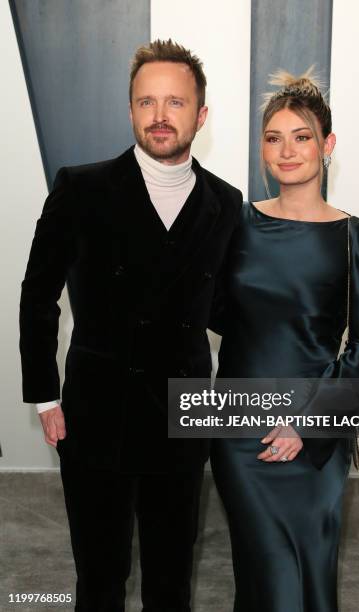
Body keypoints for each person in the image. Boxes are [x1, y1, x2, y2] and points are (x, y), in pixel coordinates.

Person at [19, 39, 242, 612]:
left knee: (172, 579)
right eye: (146, 102)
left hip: (183, 411)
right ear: (130, 111)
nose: (160, 116)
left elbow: (230, 312)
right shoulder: (81, 188)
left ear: (201, 115)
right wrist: (44, 396)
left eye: (175, 102)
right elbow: (38, 295)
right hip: (96, 411)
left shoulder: (226, 203)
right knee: (100, 577)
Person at [210, 69, 359, 612]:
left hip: (314, 437)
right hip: (240, 435)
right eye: (274, 138)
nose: (287, 151)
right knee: (268, 581)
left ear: (327, 145)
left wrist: (305, 424)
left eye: (302, 136)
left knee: (310, 576)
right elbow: (214, 316)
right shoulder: (234, 224)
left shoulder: (356, 234)